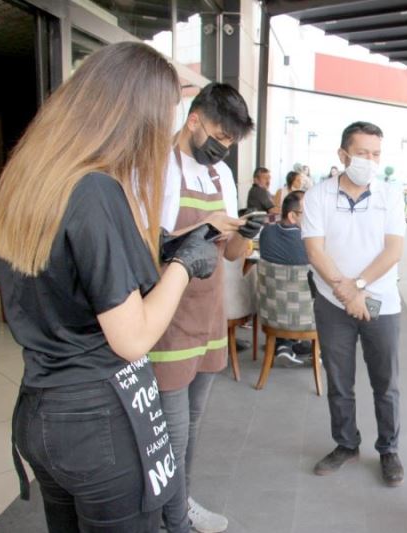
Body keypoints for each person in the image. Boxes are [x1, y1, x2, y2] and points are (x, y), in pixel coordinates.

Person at [0, 42, 219, 533]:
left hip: (39, 409)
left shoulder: (28, 178)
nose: (165, 133)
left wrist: (161, 247)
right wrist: (184, 265)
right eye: (165, 117)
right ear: (133, 117)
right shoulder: (96, 190)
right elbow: (132, 337)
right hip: (96, 421)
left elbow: (64, 275)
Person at [151, 82, 256, 533]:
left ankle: (180, 505)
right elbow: (148, 247)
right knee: (170, 433)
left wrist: (247, 232)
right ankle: (169, 518)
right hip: (168, 316)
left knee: (192, 426)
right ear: (194, 120)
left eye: (231, 141)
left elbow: (229, 255)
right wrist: (204, 226)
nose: (224, 148)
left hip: (209, 312)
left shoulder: (222, 177)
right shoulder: (157, 167)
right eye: (221, 136)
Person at [302, 121, 406, 486]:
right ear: (343, 154)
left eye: (376, 154)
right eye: (362, 153)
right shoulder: (318, 195)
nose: (370, 161)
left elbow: (393, 250)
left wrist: (358, 287)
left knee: (385, 381)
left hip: (380, 303)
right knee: (339, 379)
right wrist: (345, 292)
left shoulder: (390, 194)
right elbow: (315, 250)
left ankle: (389, 449)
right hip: (333, 303)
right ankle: (346, 444)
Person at [259, 190, 312, 366]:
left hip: (273, 314)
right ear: (292, 216)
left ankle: (284, 345)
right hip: (306, 317)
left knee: (285, 293)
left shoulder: (266, 233)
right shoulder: (309, 243)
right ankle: (319, 349)